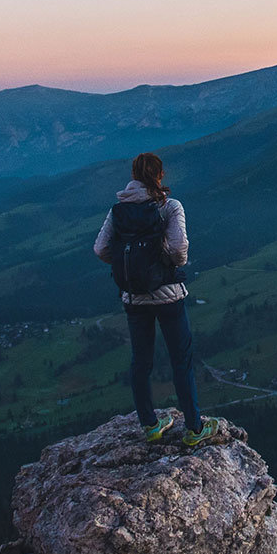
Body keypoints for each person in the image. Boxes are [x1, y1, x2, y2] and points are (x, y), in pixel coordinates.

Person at [92, 153, 222, 447]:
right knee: (181, 360)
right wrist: (166, 263)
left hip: (134, 297)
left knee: (141, 361)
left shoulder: (118, 211)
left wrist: (130, 264)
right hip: (168, 295)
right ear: (159, 175)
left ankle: (150, 425)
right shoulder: (169, 207)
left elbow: (100, 249)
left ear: (134, 175)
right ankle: (194, 428)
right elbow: (179, 248)